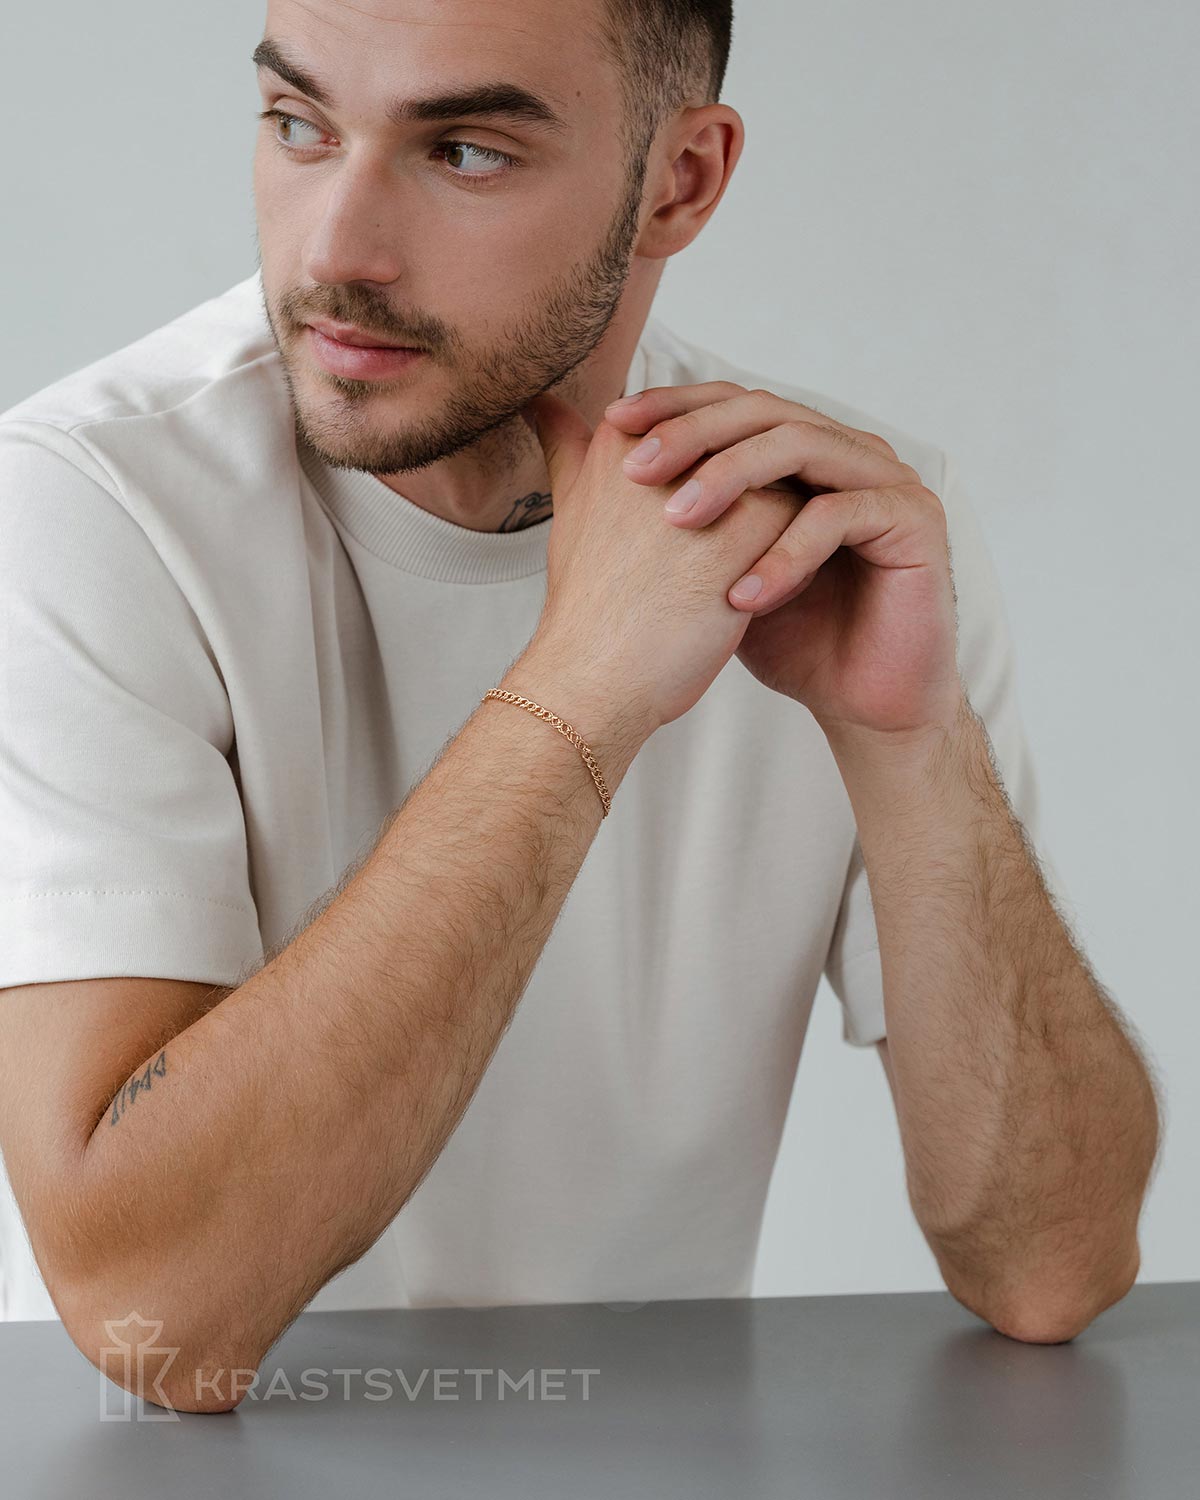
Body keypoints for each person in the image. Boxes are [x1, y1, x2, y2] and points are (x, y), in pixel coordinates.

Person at [0, 0, 1160, 1413]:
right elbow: (152, 1315)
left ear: (681, 180)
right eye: (299, 126)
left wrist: (909, 747)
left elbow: (1052, 1269)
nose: (335, 252)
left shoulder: (840, 530)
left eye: (466, 152)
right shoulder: (92, 504)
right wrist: (583, 684)